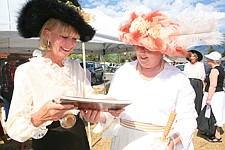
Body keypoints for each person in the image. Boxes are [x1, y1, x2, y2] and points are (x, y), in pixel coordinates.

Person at [94, 10, 197, 150]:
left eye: (148, 47)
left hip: (160, 144)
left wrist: (172, 141)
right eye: (139, 46)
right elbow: (109, 111)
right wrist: (98, 115)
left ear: (162, 49)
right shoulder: (123, 73)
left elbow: (188, 120)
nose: (142, 52)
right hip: (124, 143)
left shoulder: (179, 79)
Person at [5, 0, 101, 149]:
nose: (70, 44)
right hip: (49, 142)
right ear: (47, 34)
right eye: (64, 36)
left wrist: (95, 110)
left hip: (79, 138)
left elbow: (89, 98)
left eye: (74, 39)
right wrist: (39, 117)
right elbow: (13, 127)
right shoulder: (27, 71)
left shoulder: (75, 67)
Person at [201, 51, 225, 142]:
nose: (207, 61)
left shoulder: (214, 70)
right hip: (219, 94)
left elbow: (213, 85)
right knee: (217, 113)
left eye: (209, 59)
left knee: (214, 113)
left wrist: (209, 98)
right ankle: (213, 133)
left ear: (212, 60)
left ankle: (216, 135)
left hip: (214, 95)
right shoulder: (221, 69)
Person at [184, 50, 206, 115]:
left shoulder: (200, 65)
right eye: (191, 56)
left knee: (198, 99)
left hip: (198, 83)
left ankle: (197, 115)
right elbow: (185, 75)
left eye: (194, 56)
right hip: (189, 82)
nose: (192, 58)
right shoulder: (186, 65)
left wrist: (203, 88)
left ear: (197, 57)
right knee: (189, 98)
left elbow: (203, 76)